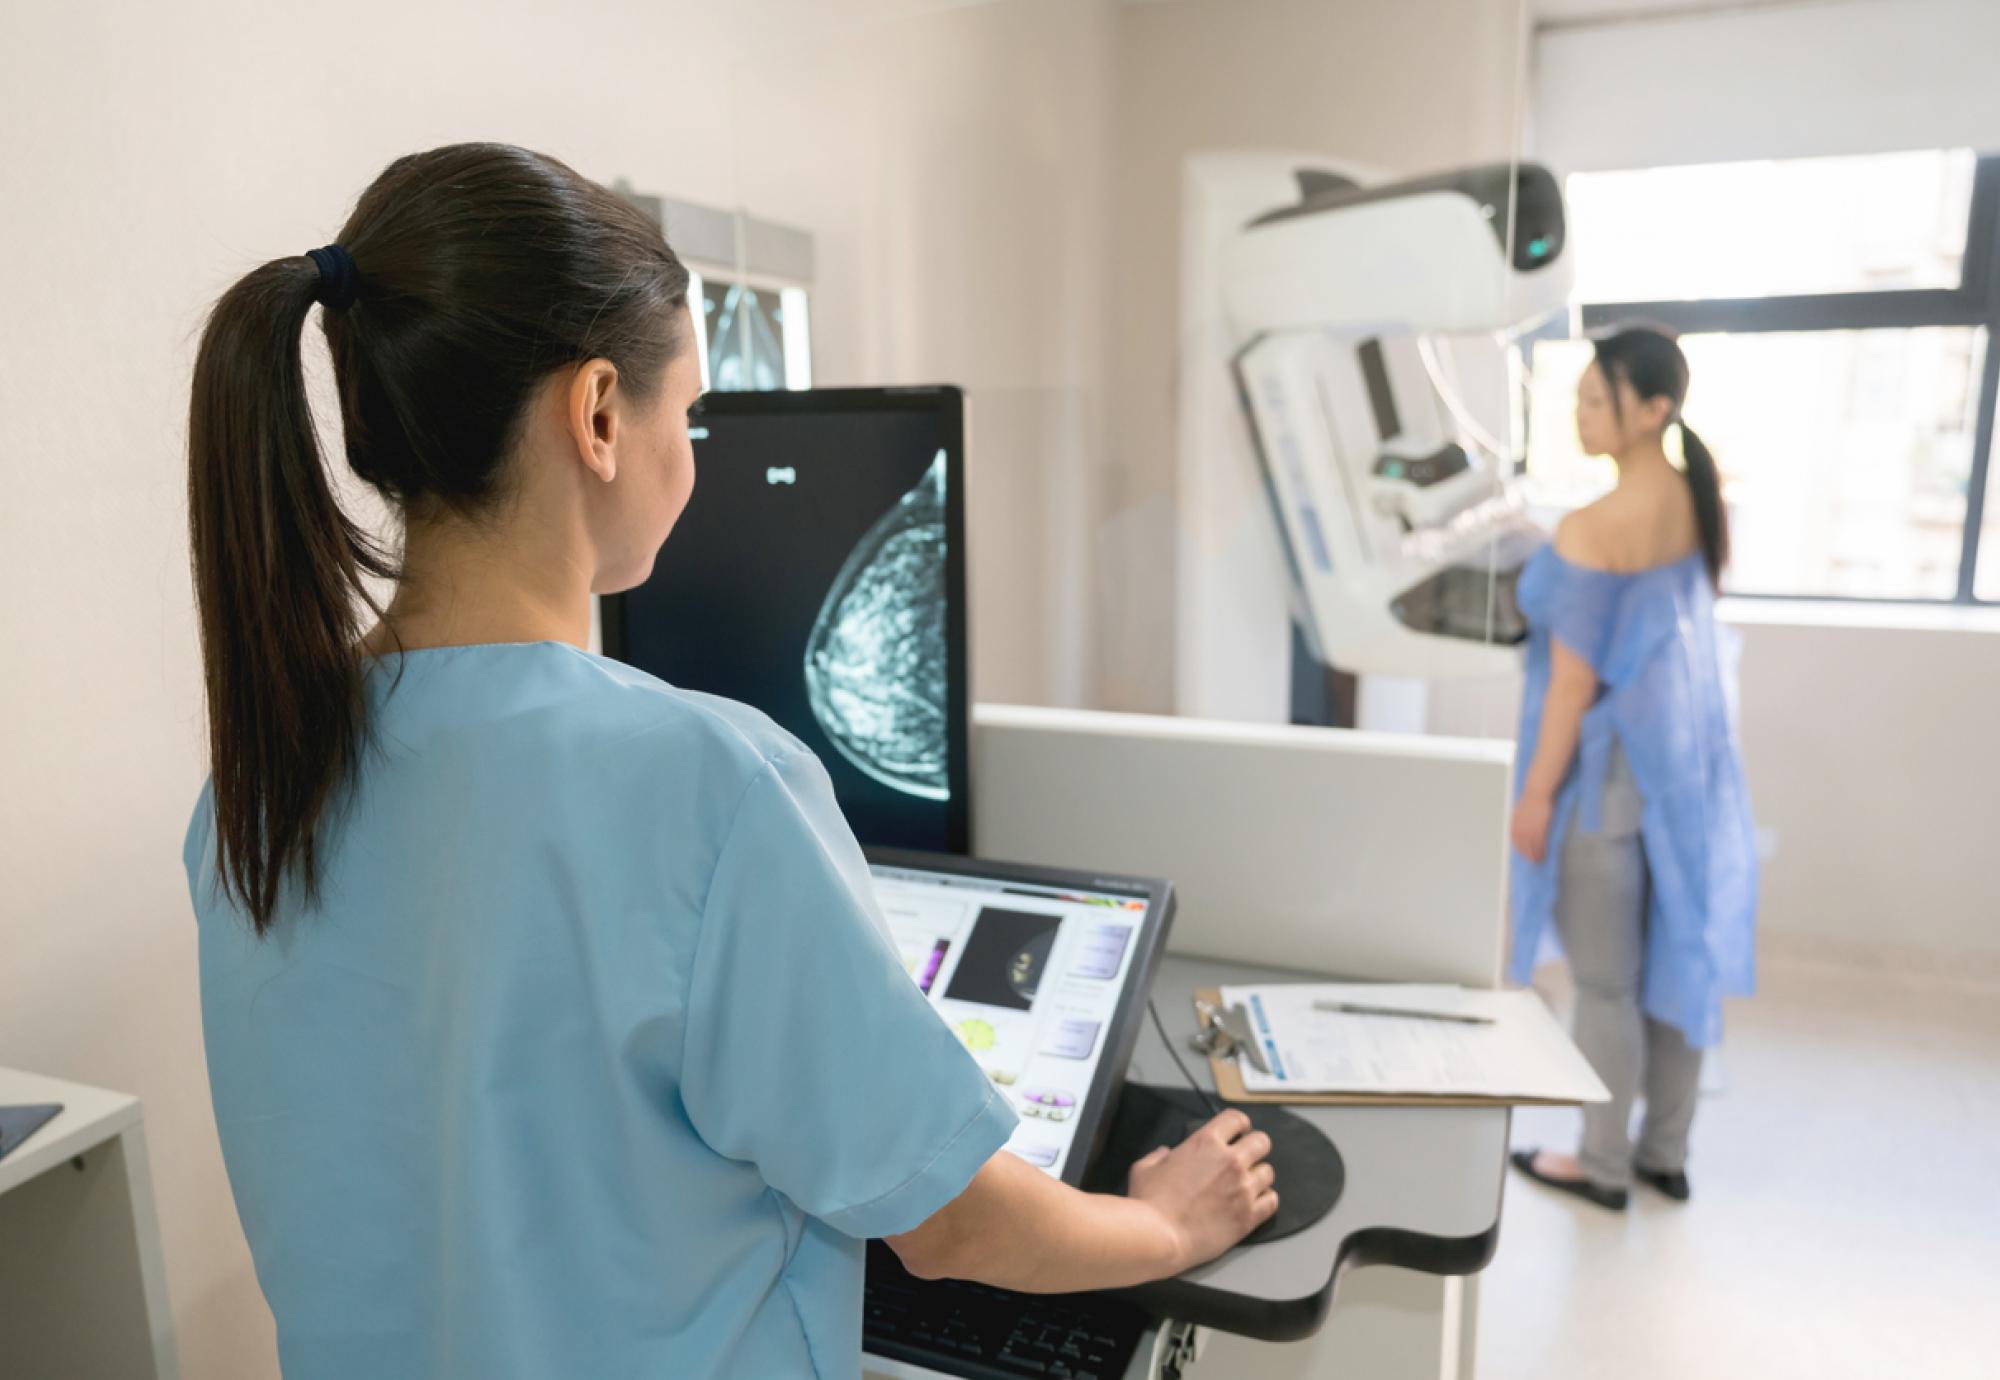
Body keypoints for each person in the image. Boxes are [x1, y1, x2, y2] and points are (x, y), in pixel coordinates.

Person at [182, 143, 1276, 1380]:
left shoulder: (254, 793)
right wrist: (1165, 1221)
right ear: (597, 415)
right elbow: (950, 1222)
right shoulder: (704, 786)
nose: (692, 453)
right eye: (687, 412)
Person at [1504, 326, 1758, 1212]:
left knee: (1605, 984)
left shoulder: (1592, 525)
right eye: (1576, 396)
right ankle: (1663, 1152)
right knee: (1675, 954)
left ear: (1653, 410)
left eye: (1595, 399)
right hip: (1682, 768)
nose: (1579, 413)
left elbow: (1572, 685)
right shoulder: (1697, 496)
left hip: (1602, 783)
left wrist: (1535, 796)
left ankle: (1602, 1165)